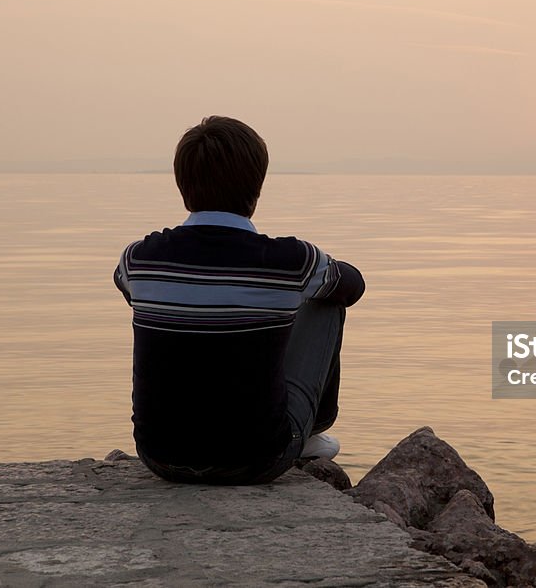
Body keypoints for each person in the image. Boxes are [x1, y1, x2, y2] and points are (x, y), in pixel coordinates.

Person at [113, 116, 365, 484]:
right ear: (257, 188)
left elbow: (126, 288)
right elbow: (353, 285)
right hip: (258, 458)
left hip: (159, 456)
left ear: (183, 187)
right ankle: (310, 433)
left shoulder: (138, 257)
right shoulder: (289, 261)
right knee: (329, 299)